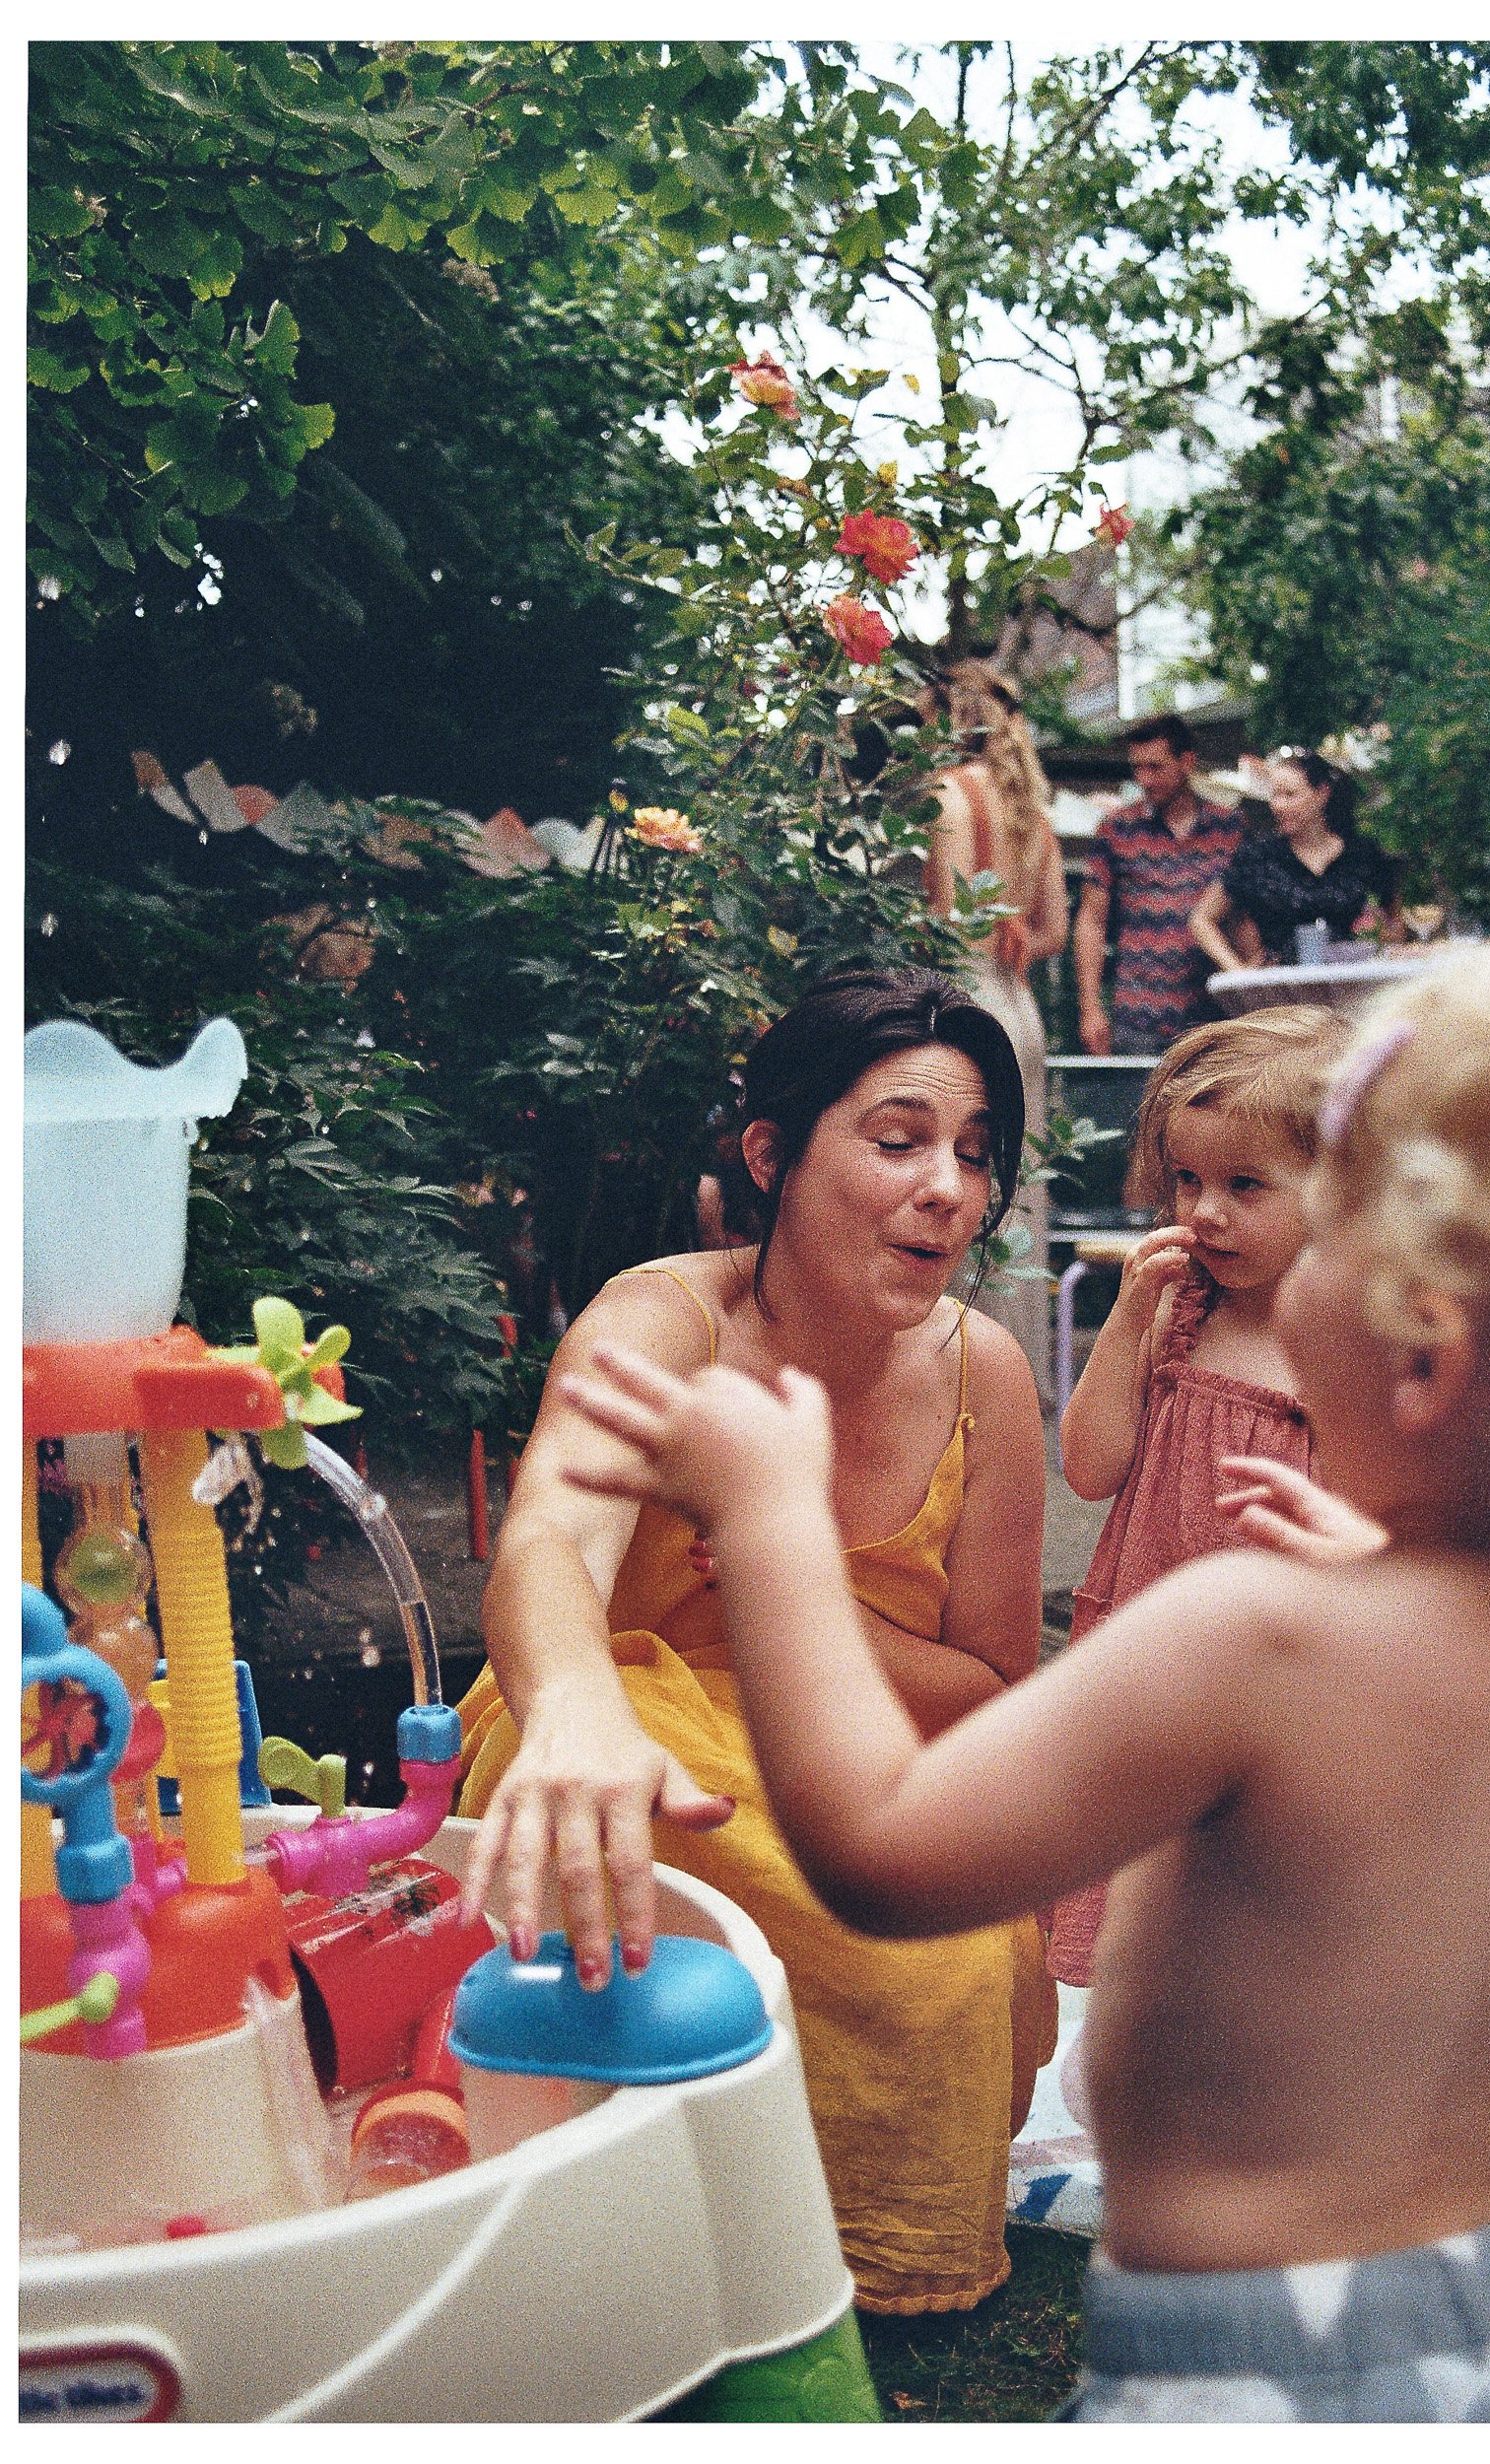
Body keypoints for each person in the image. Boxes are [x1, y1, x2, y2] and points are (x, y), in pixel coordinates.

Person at [560, 931, 1490, 2424]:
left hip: (1258, 2378)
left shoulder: (1256, 1636)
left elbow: (886, 1849)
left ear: (1424, 1358)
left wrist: (772, 1517)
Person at [453, 967, 1057, 2313]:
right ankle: (619, 2244)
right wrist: (571, 1706)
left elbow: (992, 1691)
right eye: (897, 1141)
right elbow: (548, 1540)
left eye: (974, 1156)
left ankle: (861, 2257)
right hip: (627, 1729)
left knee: (947, 1960)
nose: (947, 1188)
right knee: (625, 1835)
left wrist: (784, 1583)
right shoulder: (662, 1320)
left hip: (854, 1752)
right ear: (772, 1155)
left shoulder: (987, 1376)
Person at [1049, 1004, 1349, 1985]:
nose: (1204, 1209)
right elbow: (1090, 1467)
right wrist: (1128, 1315)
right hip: (1148, 1658)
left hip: (1286, 1681)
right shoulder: (1180, 1312)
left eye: (1244, 1184)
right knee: (1148, 1927)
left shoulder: (1357, 1338)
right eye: (1186, 1178)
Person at [921, 661, 1068, 1400]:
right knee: (1020, 1185)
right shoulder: (1031, 815)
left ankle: (963, 1372)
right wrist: (1018, 943)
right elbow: (1053, 930)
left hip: (967, 1003)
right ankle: (1018, 1374)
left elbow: (950, 925)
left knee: (958, 1182)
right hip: (1020, 1007)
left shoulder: (948, 795)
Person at [1073, 713, 1245, 1056]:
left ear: (1186, 762)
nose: (1144, 779)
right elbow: (1092, 920)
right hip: (1138, 1018)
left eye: (1155, 767)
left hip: (1212, 1018)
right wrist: (1090, 1006)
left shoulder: (1230, 829)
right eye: (1137, 768)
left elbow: (1243, 916)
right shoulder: (1116, 830)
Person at [1190, 746, 1405, 972]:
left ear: (1322, 794)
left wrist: (1387, 947)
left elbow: (1393, 920)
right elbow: (1202, 919)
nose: (1277, 805)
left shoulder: (1363, 853)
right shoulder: (1259, 857)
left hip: (1353, 984)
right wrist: (1237, 970)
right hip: (1282, 990)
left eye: (1290, 795)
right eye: (1275, 795)